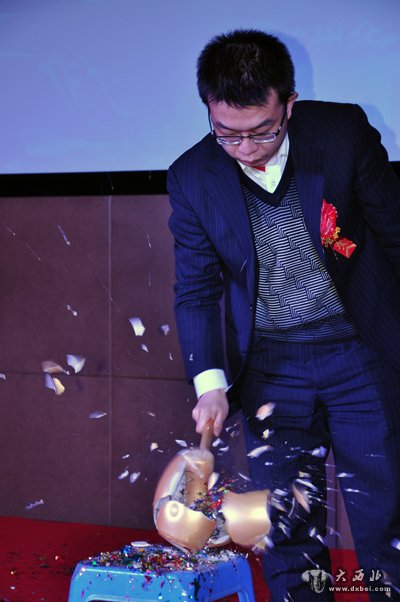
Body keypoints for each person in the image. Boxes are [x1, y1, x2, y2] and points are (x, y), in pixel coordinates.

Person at [167, 29, 400, 601]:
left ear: (289, 104)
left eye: (262, 131)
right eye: (227, 133)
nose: (245, 148)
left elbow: (396, 234)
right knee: (287, 526)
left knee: (384, 519)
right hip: (272, 366)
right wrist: (210, 384)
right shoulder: (193, 176)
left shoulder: (341, 134)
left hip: (358, 350)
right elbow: (196, 289)